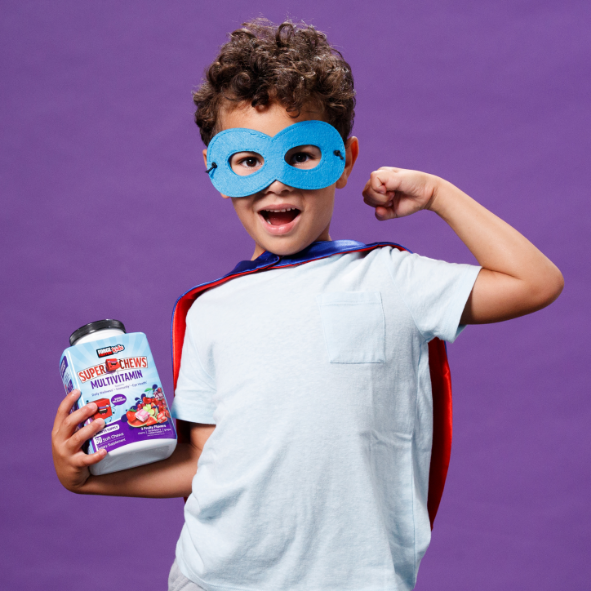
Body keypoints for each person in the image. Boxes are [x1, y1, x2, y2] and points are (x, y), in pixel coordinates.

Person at [51, 19, 564, 591]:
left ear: (344, 161)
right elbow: (204, 461)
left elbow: (533, 281)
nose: (276, 182)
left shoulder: (390, 279)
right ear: (216, 169)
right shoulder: (208, 311)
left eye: (300, 155)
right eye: (248, 160)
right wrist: (88, 479)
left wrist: (438, 195)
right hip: (214, 579)